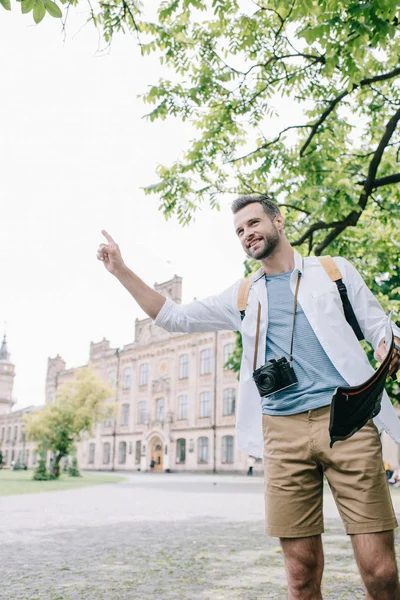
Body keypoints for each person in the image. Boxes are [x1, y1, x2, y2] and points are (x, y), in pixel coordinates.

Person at [97, 194, 400, 600]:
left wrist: (387, 344)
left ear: (278, 221)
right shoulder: (242, 295)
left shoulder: (333, 272)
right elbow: (174, 317)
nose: (247, 234)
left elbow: (380, 325)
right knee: (300, 574)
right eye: (240, 231)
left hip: (347, 422)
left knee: (380, 571)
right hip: (282, 433)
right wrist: (121, 271)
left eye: (254, 223)